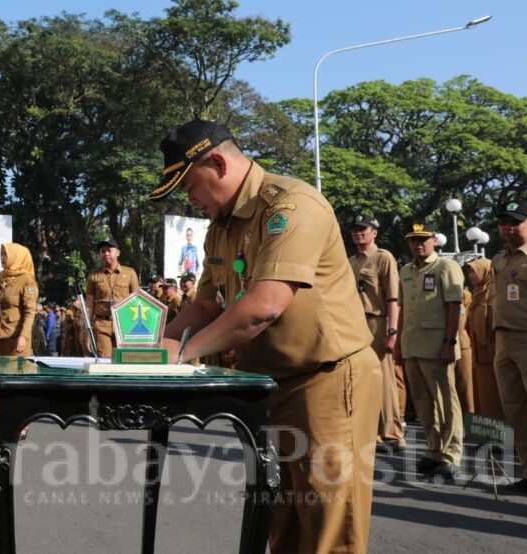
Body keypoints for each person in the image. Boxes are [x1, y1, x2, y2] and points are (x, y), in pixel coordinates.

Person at [150, 118, 380, 554]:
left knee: (330, 528)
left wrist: (179, 355)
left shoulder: (292, 206)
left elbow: (264, 305)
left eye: (190, 185)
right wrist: (145, 350)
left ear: (217, 163)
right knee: (283, 526)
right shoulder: (222, 226)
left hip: (327, 381)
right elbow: (205, 306)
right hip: (272, 386)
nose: (190, 198)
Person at [396, 222, 464, 479]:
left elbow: (454, 307)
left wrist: (449, 343)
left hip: (438, 347)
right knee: (424, 403)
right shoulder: (405, 270)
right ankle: (433, 450)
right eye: (413, 240)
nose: (418, 244)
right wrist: (400, 344)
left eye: (423, 239)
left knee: (446, 402)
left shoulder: (446, 267)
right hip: (412, 345)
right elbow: (402, 309)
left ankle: (451, 454)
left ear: (434, 240)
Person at [348, 214, 405, 451]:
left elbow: (393, 298)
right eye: (355, 229)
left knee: (384, 378)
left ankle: (392, 434)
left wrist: (392, 331)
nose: (358, 232)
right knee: (363, 379)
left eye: (364, 229)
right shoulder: (352, 261)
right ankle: (373, 433)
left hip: (377, 321)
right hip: (356, 323)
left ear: (375, 232)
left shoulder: (384, 258)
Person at [491, 201, 527, 494]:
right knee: (516, 411)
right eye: (504, 222)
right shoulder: (499, 259)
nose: (509, 227)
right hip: (503, 341)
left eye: (516, 222)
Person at [84, 239, 139, 357]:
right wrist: (88, 331)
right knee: (105, 361)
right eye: (102, 251)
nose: (106, 254)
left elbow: (137, 302)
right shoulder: (93, 277)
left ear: (117, 253)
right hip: (102, 324)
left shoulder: (130, 273)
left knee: (123, 361)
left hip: (124, 324)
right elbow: (89, 306)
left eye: (109, 250)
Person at [464, 258, 503, 417]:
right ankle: (486, 434)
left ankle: (502, 435)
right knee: (482, 394)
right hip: (478, 355)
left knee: (495, 394)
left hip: (492, 353)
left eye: (475, 271)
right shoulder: (476, 293)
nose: (472, 275)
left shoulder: (494, 292)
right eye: (470, 272)